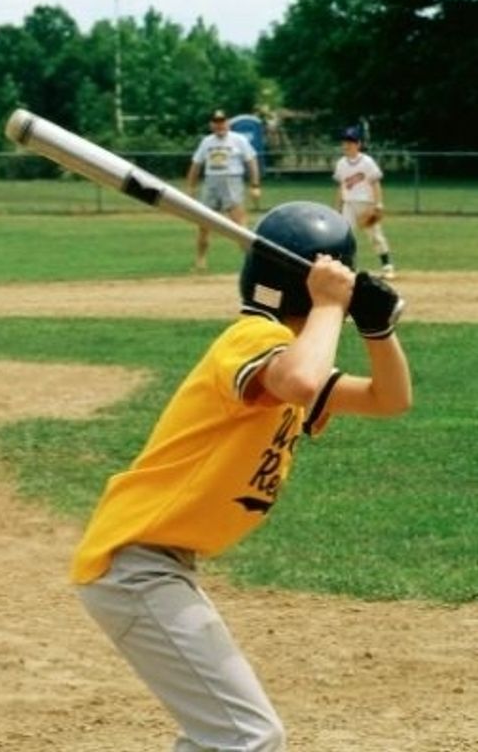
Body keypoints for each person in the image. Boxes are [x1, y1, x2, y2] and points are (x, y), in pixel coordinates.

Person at [72, 202, 411, 751]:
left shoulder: (287, 361)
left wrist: (377, 329)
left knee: (228, 737)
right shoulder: (251, 340)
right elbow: (301, 380)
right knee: (247, 737)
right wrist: (332, 303)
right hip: (135, 565)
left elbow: (389, 399)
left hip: (157, 566)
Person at [186, 109, 262, 272]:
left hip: (232, 180)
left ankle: (251, 263)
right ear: (211, 124)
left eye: (222, 121)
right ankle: (200, 261)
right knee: (203, 222)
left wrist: (255, 185)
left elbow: (251, 161)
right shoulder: (207, 141)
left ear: (227, 123)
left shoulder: (238, 140)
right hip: (211, 181)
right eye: (216, 122)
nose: (219, 125)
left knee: (239, 225)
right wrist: (191, 186)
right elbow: (196, 164)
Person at [334, 126, 396, 279]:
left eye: (351, 141)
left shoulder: (367, 162)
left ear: (358, 144)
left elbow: (375, 183)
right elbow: (341, 187)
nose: (347, 145)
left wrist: (378, 204)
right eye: (345, 142)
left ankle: (387, 266)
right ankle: (347, 267)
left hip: (366, 204)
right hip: (349, 204)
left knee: (375, 235)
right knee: (345, 237)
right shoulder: (341, 163)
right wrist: (337, 208)